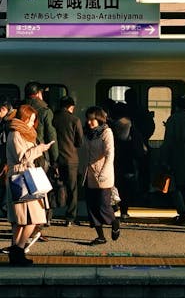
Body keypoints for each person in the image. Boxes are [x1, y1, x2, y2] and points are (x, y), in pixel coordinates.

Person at [3, 103, 53, 265]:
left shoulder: (20, 133)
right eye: (30, 120)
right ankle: (19, 249)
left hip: (22, 178)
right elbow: (22, 157)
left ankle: (16, 252)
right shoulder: (16, 134)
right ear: (23, 119)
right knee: (33, 219)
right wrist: (40, 149)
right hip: (22, 179)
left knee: (21, 221)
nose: (32, 124)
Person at [81, 106, 118, 244]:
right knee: (92, 207)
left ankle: (114, 222)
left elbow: (110, 154)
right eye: (88, 119)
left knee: (104, 205)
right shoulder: (87, 134)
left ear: (99, 119)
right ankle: (100, 236)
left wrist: (104, 172)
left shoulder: (106, 132)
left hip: (104, 176)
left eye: (92, 119)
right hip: (89, 175)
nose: (89, 122)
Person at [162, 93, 185, 226]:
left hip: (176, 156)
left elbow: (168, 141)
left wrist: (164, 159)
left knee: (175, 186)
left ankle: (182, 213)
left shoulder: (173, 119)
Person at [109, 103, 146, 222]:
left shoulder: (111, 126)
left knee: (114, 185)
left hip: (115, 160)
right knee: (126, 188)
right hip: (129, 161)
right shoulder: (131, 126)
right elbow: (139, 147)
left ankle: (113, 206)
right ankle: (124, 211)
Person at [50, 96, 83, 225]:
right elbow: (79, 142)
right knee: (72, 189)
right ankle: (70, 217)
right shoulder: (75, 120)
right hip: (71, 159)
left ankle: (49, 215)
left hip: (56, 159)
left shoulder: (54, 118)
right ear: (71, 107)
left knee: (54, 187)